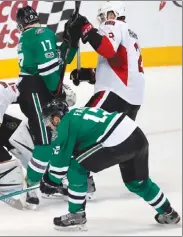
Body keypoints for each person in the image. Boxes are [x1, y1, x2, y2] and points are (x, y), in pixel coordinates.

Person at [39, 99, 180, 231]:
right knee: (137, 182)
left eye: (48, 120)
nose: (48, 125)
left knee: (76, 168)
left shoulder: (64, 126)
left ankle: (76, 215)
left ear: (56, 118)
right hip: (136, 135)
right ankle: (169, 213)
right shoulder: (77, 114)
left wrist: (49, 181)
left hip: (117, 140)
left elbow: (59, 167)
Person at [68, 1, 145, 195]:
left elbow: (107, 50)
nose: (103, 20)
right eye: (101, 17)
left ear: (115, 13)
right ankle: (137, 180)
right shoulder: (131, 35)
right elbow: (119, 65)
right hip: (132, 100)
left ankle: (79, 179)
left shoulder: (115, 25)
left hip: (114, 94)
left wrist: (86, 28)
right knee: (118, 138)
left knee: (76, 126)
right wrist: (88, 74)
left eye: (106, 15)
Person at [15, 5, 77, 209]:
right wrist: (57, 92)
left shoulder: (32, 36)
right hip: (36, 91)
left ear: (22, 23)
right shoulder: (42, 33)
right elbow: (50, 71)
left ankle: (54, 179)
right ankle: (29, 186)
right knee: (45, 144)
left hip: (38, 90)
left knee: (59, 138)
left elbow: (60, 60)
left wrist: (71, 42)